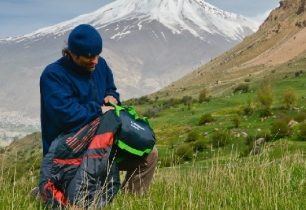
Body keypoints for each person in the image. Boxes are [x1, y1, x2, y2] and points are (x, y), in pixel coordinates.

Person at [38, 24, 158, 208]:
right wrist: (98, 110)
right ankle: (46, 191)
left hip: (104, 141)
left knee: (149, 153)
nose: (95, 61)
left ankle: (130, 202)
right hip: (71, 151)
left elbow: (110, 88)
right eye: (88, 57)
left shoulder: (99, 65)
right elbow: (65, 115)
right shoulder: (53, 75)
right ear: (71, 54)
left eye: (97, 55)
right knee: (73, 201)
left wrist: (112, 97)